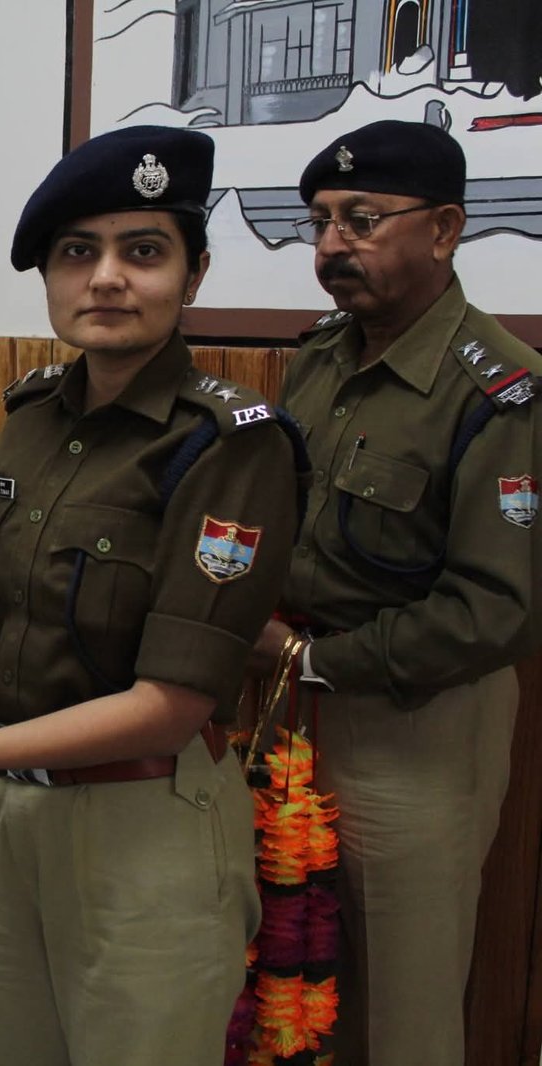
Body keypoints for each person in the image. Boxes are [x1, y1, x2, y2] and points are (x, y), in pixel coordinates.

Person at [0, 128, 301, 1065]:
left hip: (142, 823)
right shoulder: (34, 421)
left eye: (143, 251)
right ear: (48, 277)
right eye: (79, 252)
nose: (107, 278)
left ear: (194, 275)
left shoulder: (230, 444)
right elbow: (8, 634)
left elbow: (169, 705)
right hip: (6, 822)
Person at [250, 119, 542, 1066]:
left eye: (363, 220)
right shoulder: (321, 358)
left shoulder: (500, 392)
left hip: (414, 726)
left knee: (403, 1006)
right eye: (321, 222)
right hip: (292, 708)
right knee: (289, 973)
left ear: (445, 229)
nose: (333, 244)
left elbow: (496, 612)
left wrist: (312, 658)